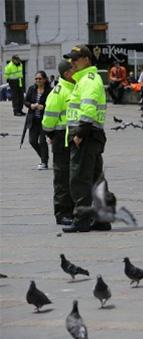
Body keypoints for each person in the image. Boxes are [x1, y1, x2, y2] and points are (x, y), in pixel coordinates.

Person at [62, 45, 108, 233]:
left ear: (87, 59)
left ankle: (81, 219)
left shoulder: (88, 80)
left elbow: (88, 109)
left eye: (76, 59)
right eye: (70, 59)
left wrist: (80, 133)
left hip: (86, 135)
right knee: (96, 179)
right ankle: (102, 219)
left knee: (79, 179)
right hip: (93, 135)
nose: (72, 62)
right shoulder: (87, 79)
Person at [41, 60, 75, 226]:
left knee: (74, 176)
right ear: (67, 73)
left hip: (73, 138)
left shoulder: (75, 88)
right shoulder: (58, 92)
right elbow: (48, 121)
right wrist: (52, 134)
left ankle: (74, 210)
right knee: (62, 178)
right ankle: (62, 213)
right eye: (74, 69)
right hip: (61, 138)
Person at [24, 71, 52, 170]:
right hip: (33, 120)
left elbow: (52, 104)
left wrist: (43, 107)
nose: (38, 80)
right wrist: (31, 105)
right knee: (32, 141)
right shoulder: (32, 89)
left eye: (40, 79)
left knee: (43, 141)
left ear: (44, 79)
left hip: (44, 120)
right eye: (36, 79)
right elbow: (26, 101)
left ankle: (44, 162)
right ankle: (44, 158)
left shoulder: (50, 90)